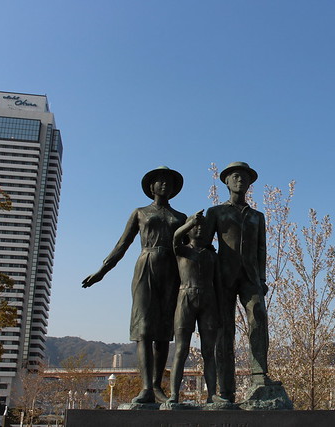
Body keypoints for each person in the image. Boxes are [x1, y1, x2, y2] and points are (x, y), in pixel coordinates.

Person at [82, 166, 187, 404]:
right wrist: (102, 271)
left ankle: (157, 386)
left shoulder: (181, 217)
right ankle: (146, 387)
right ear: (151, 187)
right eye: (159, 181)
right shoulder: (140, 213)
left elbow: (193, 245)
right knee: (144, 329)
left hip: (172, 271)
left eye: (168, 182)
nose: (164, 184)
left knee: (164, 331)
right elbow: (122, 244)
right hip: (146, 266)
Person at [204, 161, 280, 403]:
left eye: (244, 177)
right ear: (226, 182)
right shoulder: (215, 212)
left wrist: (262, 278)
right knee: (224, 330)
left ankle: (259, 374)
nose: (240, 180)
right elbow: (204, 244)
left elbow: (261, 249)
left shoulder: (257, 216)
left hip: (251, 276)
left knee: (258, 317)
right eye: (235, 176)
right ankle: (226, 389)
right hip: (223, 276)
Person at [167, 211, 220, 403]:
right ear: (188, 230)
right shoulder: (182, 251)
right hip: (185, 298)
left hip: (208, 300)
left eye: (202, 227)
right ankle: (174, 395)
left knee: (209, 351)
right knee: (181, 349)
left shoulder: (212, 256)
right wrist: (190, 222)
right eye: (195, 226)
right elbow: (175, 237)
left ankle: (212, 394)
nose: (199, 229)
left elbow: (219, 284)